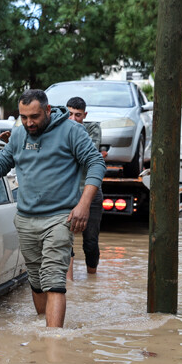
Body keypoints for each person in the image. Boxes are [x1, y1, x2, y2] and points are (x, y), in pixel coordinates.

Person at [0, 89, 105, 328]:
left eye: (33, 116)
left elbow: (96, 162)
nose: (28, 123)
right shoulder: (18, 134)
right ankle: (41, 333)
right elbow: (4, 160)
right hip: (25, 219)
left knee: (54, 280)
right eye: (23, 117)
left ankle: (53, 347)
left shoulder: (72, 131)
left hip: (59, 217)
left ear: (47, 110)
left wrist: (84, 204)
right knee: (36, 280)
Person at [65, 96, 106, 281]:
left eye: (78, 115)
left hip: (91, 194)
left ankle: (92, 280)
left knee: (90, 243)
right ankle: (68, 286)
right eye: (69, 114)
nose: (73, 118)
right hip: (67, 194)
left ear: (85, 115)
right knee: (65, 242)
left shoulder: (92, 128)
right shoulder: (59, 129)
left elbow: (85, 152)